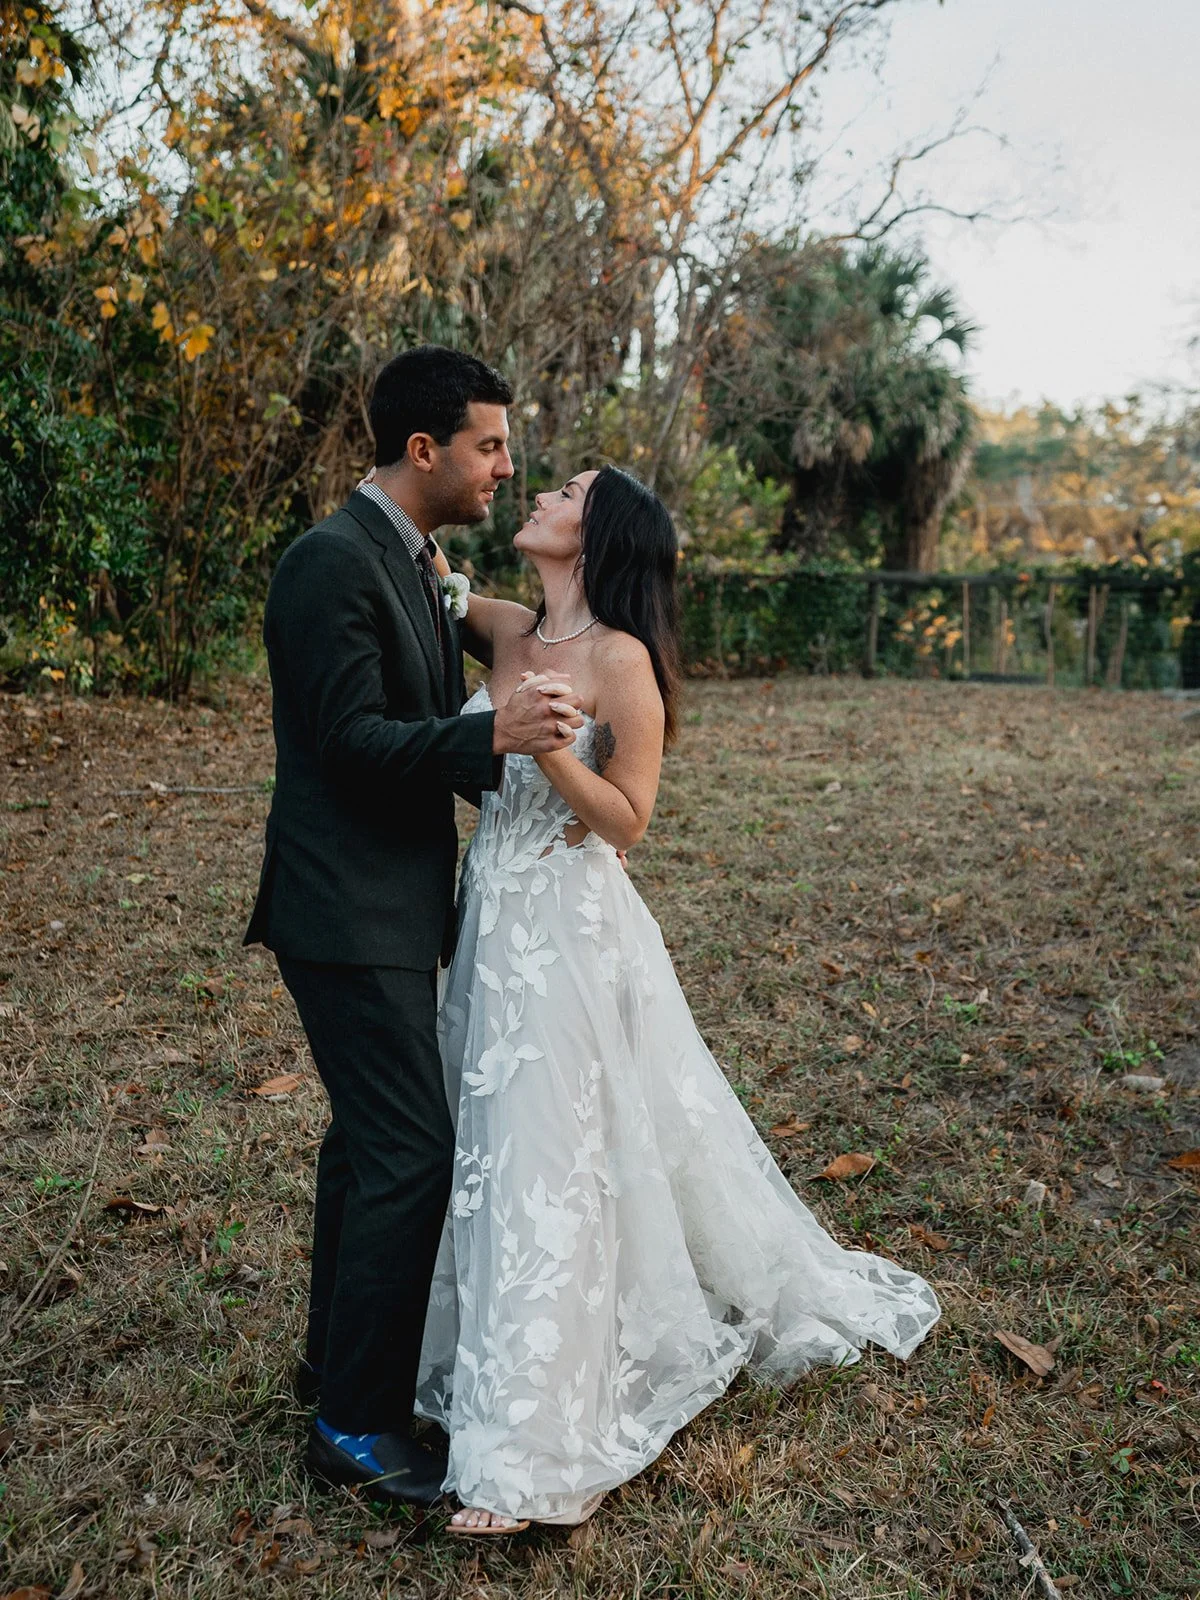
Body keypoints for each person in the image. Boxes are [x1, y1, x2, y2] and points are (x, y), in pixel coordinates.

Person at [416, 466, 942, 1532]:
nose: (541, 492)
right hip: (491, 920)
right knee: (488, 1144)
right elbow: (423, 569)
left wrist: (552, 750)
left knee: (548, 1159)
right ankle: (488, 1365)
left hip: (568, 928)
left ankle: (542, 1445)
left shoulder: (624, 663)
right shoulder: (511, 628)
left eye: (563, 491)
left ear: (596, 532)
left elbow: (629, 820)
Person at [244, 345, 586, 1505]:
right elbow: (345, 743)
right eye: (489, 445)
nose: (504, 464)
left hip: (390, 902)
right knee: (409, 1150)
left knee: (365, 1143)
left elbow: (412, 712)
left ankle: (328, 1367)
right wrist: (482, 740)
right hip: (341, 906)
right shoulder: (327, 563)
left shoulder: (418, 560)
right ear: (426, 448)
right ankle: (353, 1424)